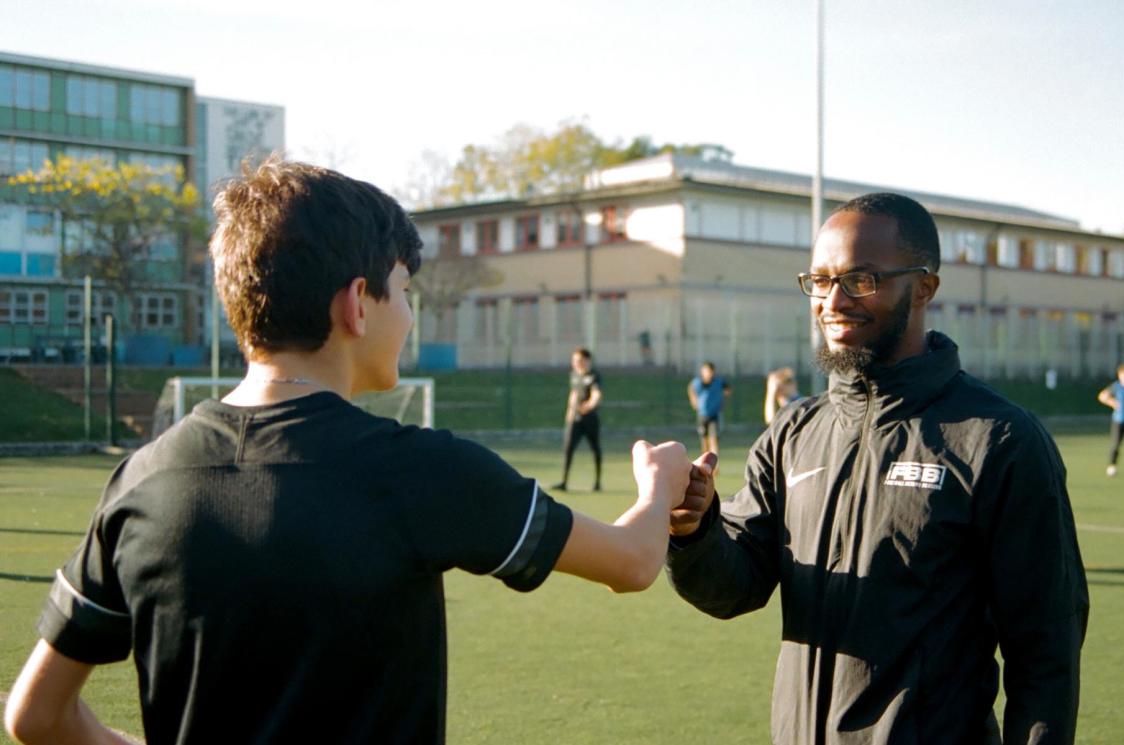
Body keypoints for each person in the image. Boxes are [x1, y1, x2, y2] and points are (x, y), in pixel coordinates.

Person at [4, 158, 691, 745]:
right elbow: (631, 562)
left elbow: (35, 714)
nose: (410, 314)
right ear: (358, 303)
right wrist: (658, 484)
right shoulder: (421, 470)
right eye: (406, 290)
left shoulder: (142, 478)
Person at [667, 193, 1089, 744]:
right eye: (820, 280)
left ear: (924, 287)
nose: (832, 300)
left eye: (861, 279)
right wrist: (693, 529)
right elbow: (734, 588)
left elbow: (1046, 653)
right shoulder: (793, 433)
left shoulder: (998, 438)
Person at [551, 347, 603, 491]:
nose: (576, 363)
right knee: (568, 448)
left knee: (595, 448)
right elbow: (573, 394)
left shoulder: (593, 375)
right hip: (576, 419)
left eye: (579, 360)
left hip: (590, 419)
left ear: (587, 360)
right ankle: (564, 482)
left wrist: (590, 405)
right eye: (574, 360)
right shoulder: (574, 375)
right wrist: (570, 412)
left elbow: (596, 393)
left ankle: (597, 482)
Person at [688, 361, 731, 454]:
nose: (708, 373)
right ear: (702, 371)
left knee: (714, 439)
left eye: (710, 371)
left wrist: (723, 401)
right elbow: (690, 388)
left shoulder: (718, 382)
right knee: (704, 440)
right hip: (702, 415)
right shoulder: (697, 382)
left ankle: (715, 464)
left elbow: (727, 390)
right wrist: (693, 400)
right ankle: (705, 461)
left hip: (714, 415)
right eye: (706, 371)